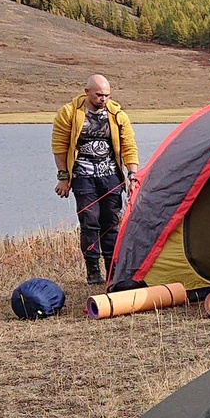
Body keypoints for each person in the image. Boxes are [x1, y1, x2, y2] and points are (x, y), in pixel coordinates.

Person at [52, 75, 140, 284]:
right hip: (83, 176)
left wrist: (132, 175)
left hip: (111, 176)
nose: (103, 99)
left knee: (111, 222)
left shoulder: (117, 115)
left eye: (107, 95)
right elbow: (59, 147)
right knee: (90, 222)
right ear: (87, 92)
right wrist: (63, 177)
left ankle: (112, 270)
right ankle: (93, 272)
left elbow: (129, 146)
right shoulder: (68, 113)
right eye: (99, 95)